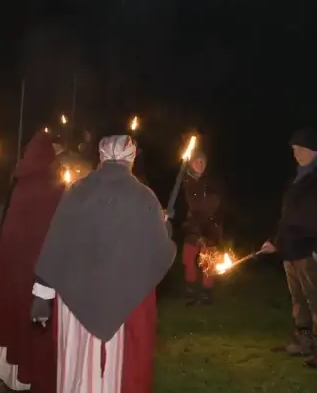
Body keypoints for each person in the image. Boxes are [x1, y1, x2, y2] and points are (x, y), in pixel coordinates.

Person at [31, 135, 175, 393]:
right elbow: (159, 250)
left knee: (77, 365)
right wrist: (167, 230)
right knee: (116, 372)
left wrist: (42, 295)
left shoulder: (77, 191)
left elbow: (56, 242)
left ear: (101, 157)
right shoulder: (145, 197)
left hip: (75, 300)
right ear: (130, 158)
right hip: (121, 300)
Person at [261, 128, 317, 368]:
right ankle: (303, 341)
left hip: (312, 251)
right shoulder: (296, 180)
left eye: (299, 149)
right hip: (290, 249)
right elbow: (286, 218)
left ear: (314, 151)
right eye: (293, 150)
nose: (295, 154)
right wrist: (273, 240)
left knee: (316, 299)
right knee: (298, 298)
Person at [0, 132, 65, 392]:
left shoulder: (21, 183)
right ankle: (31, 373)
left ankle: (13, 372)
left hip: (19, 265)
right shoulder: (51, 186)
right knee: (37, 320)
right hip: (39, 267)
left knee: (20, 315)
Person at [180, 150, 224, 305]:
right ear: (191, 163)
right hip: (191, 228)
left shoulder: (211, 182)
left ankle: (206, 293)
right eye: (197, 161)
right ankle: (191, 291)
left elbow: (214, 203)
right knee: (188, 259)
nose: (200, 164)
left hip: (208, 228)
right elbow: (183, 205)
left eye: (203, 162)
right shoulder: (184, 181)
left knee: (208, 261)